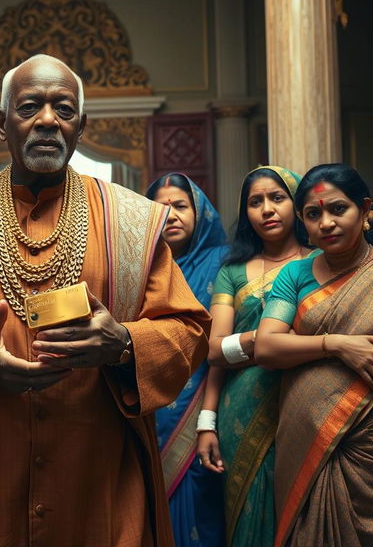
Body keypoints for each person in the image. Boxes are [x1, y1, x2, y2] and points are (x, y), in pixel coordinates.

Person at [0, 54, 211, 547]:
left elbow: (188, 330)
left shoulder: (130, 220)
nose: (48, 119)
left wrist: (125, 344)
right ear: (3, 123)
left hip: (98, 480)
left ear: (81, 126)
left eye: (64, 109)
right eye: (30, 106)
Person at [255, 163, 373, 547]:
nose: (326, 222)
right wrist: (337, 343)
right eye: (313, 214)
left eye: (338, 209)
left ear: (366, 210)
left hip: (369, 441)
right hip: (304, 440)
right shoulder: (294, 275)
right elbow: (267, 345)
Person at [198, 166, 310, 547]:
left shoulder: (321, 262)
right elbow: (215, 351)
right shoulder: (232, 272)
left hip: (305, 404)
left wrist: (244, 348)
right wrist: (206, 424)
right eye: (255, 202)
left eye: (277, 198)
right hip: (240, 412)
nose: (266, 209)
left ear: (297, 204)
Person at [146, 173, 227, 547]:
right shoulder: (137, 269)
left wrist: (207, 418)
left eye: (180, 206)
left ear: (201, 213)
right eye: (161, 207)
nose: (171, 214)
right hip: (148, 411)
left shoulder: (223, 263)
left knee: (201, 503)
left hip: (206, 407)